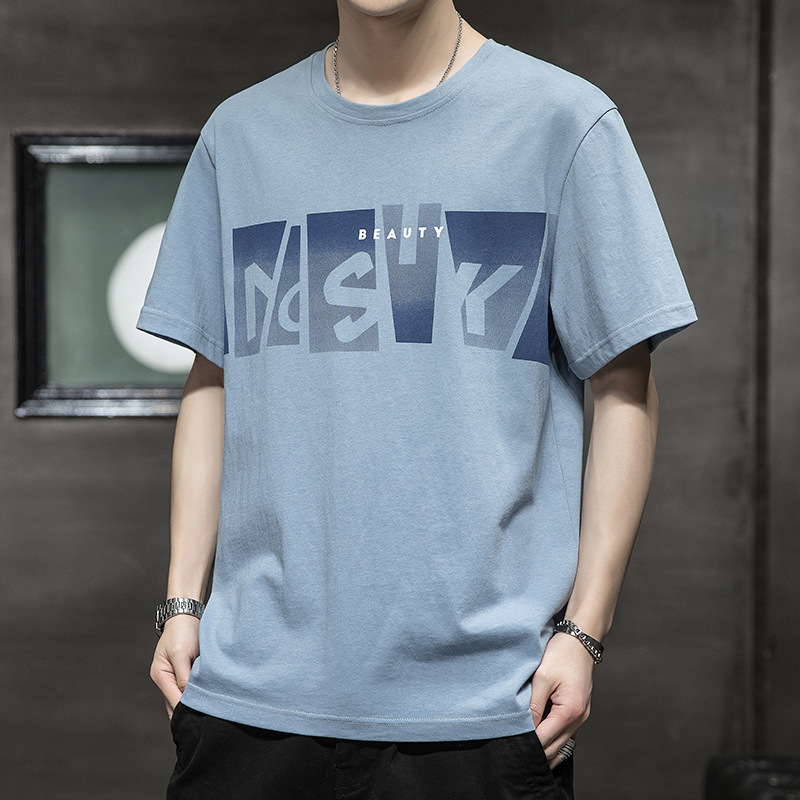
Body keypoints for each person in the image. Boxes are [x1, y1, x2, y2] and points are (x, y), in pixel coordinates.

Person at [136, 1, 699, 798]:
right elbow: (212, 378)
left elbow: (623, 386)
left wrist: (584, 631)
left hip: (484, 709)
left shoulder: (564, 123)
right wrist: (182, 602)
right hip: (248, 702)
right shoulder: (240, 136)